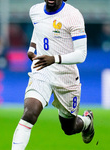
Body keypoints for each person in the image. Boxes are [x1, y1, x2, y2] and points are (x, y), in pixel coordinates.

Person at [12, 0, 94, 149]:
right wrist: (32, 47)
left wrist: (54, 59)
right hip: (42, 69)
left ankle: (87, 122)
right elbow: (39, 29)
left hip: (66, 76)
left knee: (69, 128)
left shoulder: (73, 15)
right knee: (29, 114)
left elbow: (81, 55)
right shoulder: (35, 11)